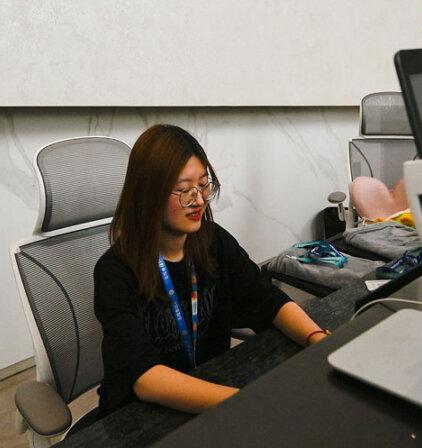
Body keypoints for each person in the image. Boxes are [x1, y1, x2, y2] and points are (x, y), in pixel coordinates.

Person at [93, 124, 329, 416]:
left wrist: (318, 340)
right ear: (148, 194)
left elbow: (267, 301)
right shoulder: (114, 272)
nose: (199, 200)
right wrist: (245, 402)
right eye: (183, 190)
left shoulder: (213, 241)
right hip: (138, 418)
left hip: (209, 392)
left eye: (204, 185)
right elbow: (146, 379)